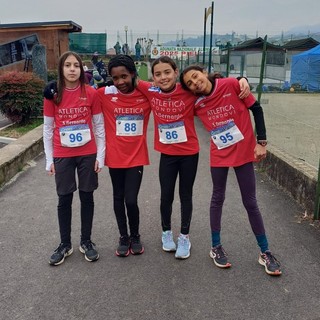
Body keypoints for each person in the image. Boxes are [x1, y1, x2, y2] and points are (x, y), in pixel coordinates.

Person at [136, 56, 250, 260]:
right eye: (158, 74)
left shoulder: (187, 90)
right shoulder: (150, 90)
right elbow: (129, 80)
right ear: (152, 78)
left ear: (175, 72)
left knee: (186, 195)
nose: (163, 77)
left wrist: (242, 78)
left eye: (167, 72)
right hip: (167, 154)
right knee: (166, 196)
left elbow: (212, 84)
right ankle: (166, 233)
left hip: (189, 153)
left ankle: (184, 236)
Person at [179, 65, 281, 275]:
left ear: (204, 73)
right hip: (219, 154)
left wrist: (262, 142)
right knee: (218, 198)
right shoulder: (196, 103)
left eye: (196, 76)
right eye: (189, 83)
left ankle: (265, 251)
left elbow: (257, 109)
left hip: (243, 152)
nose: (195, 83)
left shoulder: (232, 85)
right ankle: (215, 247)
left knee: (250, 202)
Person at [43, 51, 105, 266]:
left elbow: (98, 126)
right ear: (61, 69)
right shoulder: (52, 94)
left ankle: (86, 241)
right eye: (67, 65)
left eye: (76, 66)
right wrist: (49, 159)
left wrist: (101, 155)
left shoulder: (91, 93)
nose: (72, 69)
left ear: (81, 69)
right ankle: (65, 244)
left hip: (87, 153)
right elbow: (48, 128)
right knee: (64, 199)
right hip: (63, 154)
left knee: (87, 196)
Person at [97, 55, 151, 257]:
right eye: (115, 78)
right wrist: (52, 88)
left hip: (136, 157)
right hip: (115, 158)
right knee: (118, 198)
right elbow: (80, 94)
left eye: (125, 76)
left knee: (131, 200)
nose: (120, 82)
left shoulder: (145, 96)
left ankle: (135, 235)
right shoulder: (105, 95)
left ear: (133, 75)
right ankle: (123, 236)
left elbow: (165, 91)